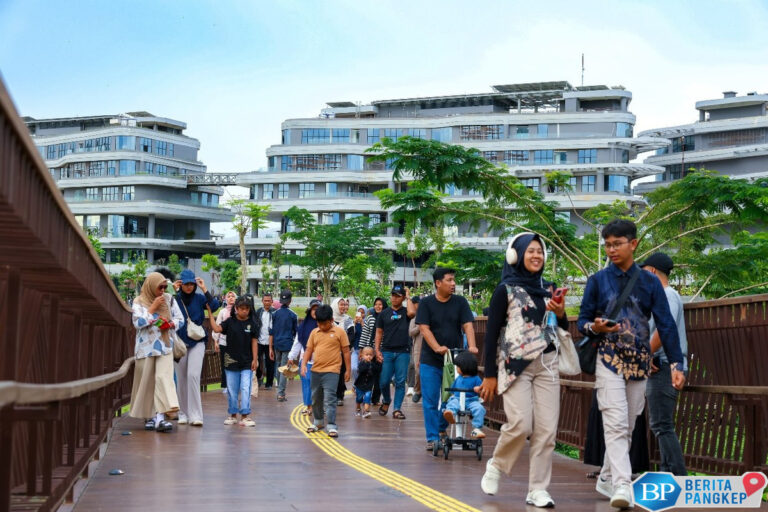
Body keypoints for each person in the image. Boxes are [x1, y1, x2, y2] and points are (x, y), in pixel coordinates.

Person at [578, 219, 685, 509]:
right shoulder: (597, 280)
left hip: (639, 362)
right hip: (607, 359)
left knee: (628, 423)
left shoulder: (650, 282)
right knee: (614, 419)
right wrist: (595, 328)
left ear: (633, 244)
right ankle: (622, 484)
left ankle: (608, 475)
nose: (611, 250)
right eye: (607, 244)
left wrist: (677, 363)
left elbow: (665, 324)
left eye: (617, 244)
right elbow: (582, 321)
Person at [478, 233, 567, 508]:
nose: (536, 256)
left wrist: (561, 312)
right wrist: (489, 375)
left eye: (540, 251)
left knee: (547, 430)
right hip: (515, 366)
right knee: (520, 424)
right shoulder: (503, 290)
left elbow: (560, 329)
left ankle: (538, 489)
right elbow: (491, 335)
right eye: (530, 251)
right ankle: (496, 464)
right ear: (515, 255)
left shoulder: (549, 288)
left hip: (548, 364)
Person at [416, 268, 477, 451]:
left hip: (453, 360)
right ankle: (432, 437)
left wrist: (472, 347)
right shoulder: (426, 303)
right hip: (430, 359)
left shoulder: (460, 302)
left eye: (454, 280)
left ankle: (441, 428)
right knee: (430, 399)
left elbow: (468, 325)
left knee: (452, 397)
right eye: (449, 280)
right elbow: (424, 329)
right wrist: (436, 347)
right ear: (438, 283)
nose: (453, 284)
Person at [640, 252, 688, 476]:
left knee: (662, 425)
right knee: (661, 424)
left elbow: (663, 328)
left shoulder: (666, 294)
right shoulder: (664, 295)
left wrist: (646, 354)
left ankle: (679, 477)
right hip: (662, 365)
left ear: (650, 271)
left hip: (666, 366)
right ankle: (667, 474)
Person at [129, 272, 183, 433]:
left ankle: (160, 418)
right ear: (151, 285)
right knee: (147, 382)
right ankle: (149, 416)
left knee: (163, 379)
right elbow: (138, 322)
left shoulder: (169, 299)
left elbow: (179, 319)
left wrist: (170, 324)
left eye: (165, 287)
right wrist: (152, 308)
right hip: (145, 348)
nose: (163, 290)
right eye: (160, 287)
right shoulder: (138, 301)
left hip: (165, 345)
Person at [173, 270, 220, 427]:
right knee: (181, 378)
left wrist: (204, 288)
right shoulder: (176, 298)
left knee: (193, 375)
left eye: (191, 284)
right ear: (181, 284)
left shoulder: (200, 298)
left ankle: (196, 415)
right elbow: (170, 311)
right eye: (186, 284)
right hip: (180, 342)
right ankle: (182, 413)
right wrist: (175, 291)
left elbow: (214, 306)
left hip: (198, 341)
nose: (189, 287)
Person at [301, 304, 351, 438]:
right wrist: (304, 364)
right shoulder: (314, 332)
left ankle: (332, 425)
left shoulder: (340, 332)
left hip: (332, 371)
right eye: (319, 323)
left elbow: (346, 351)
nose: (321, 326)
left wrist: (348, 370)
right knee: (316, 398)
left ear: (331, 320)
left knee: (330, 398)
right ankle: (318, 422)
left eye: (324, 323)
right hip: (316, 370)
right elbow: (308, 350)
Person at [209, 296, 259, 427]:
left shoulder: (252, 324)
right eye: (241, 309)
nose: (244, 311)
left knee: (246, 388)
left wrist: (255, 359)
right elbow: (216, 329)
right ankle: (232, 415)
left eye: (247, 309)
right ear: (236, 309)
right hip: (230, 361)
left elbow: (254, 342)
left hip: (247, 362)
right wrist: (210, 313)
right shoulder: (229, 322)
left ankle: (245, 415)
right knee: (232, 389)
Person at [374, 284, 416, 419]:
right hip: (387, 351)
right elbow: (379, 332)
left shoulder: (406, 312)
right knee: (384, 381)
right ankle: (386, 400)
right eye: (393, 295)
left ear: (403, 298)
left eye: (398, 296)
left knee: (400, 381)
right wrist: (376, 350)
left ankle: (397, 409)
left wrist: (409, 297)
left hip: (403, 351)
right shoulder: (384, 314)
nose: (394, 298)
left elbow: (412, 313)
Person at [443, 351, 486, 439]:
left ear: (464, 367)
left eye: (458, 367)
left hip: (471, 401)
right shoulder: (458, 378)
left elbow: (482, 391)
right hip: (458, 399)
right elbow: (452, 391)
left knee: (480, 409)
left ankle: (476, 429)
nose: (457, 369)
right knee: (452, 402)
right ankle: (450, 413)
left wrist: (479, 389)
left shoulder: (476, 379)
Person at [289, 299, 321, 414]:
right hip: (306, 360)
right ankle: (309, 406)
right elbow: (297, 342)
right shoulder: (303, 326)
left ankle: (319, 406)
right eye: (313, 309)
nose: (315, 312)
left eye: (318, 309)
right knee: (307, 382)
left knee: (318, 384)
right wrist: (291, 357)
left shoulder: (325, 325)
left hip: (321, 360)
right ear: (310, 311)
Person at [269, 289, 298, 402]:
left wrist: (270, 347)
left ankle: (279, 388)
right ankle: (281, 393)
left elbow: (271, 331)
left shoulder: (274, 314)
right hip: (287, 344)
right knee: (285, 368)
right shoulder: (293, 315)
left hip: (276, 344)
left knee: (278, 365)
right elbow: (296, 334)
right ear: (290, 301)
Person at [360, 297, 387, 405]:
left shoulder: (387, 318)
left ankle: (376, 399)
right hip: (369, 351)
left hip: (382, 350)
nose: (377, 306)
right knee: (367, 375)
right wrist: (362, 351)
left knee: (380, 376)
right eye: (376, 304)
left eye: (380, 304)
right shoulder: (370, 318)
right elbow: (365, 334)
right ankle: (364, 398)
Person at [331, 298, 355, 406]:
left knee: (341, 373)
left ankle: (339, 395)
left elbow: (351, 335)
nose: (343, 307)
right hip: (331, 352)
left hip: (343, 352)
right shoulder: (329, 319)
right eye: (341, 305)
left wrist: (343, 347)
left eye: (344, 305)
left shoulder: (348, 320)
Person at [213, 291, 237, 393]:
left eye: (233, 296)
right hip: (223, 342)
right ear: (225, 299)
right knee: (224, 363)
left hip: (236, 342)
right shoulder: (222, 312)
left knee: (235, 363)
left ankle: (235, 385)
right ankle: (225, 385)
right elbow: (217, 325)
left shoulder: (239, 311)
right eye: (229, 296)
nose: (231, 298)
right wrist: (216, 341)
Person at [254, 293, 276, 389]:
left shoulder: (275, 312)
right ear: (262, 301)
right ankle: (259, 377)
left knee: (270, 363)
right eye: (265, 300)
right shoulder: (258, 312)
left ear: (272, 301)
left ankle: (269, 383)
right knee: (257, 361)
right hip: (259, 341)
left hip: (271, 342)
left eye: (269, 300)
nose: (267, 302)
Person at [407, 296, 423, 403]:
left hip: (431, 347)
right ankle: (418, 391)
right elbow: (410, 333)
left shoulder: (430, 316)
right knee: (418, 371)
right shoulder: (414, 319)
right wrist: (420, 327)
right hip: (417, 348)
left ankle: (425, 392)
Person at [354, 346, 377, 418]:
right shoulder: (361, 363)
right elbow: (361, 370)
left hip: (369, 386)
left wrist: (373, 365)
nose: (368, 356)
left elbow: (376, 370)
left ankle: (366, 411)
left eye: (370, 355)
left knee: (367, 397)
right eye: (366, 355)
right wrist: (367, 364)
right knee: (359, 398)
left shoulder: (373, 364)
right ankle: (358, 408)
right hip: (360, 385)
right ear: (362, 355)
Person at [352, 305, 367, 381]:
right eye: (359, 312)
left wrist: (362, 323)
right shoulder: (353, 323)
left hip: (365, 350)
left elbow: (366, 334)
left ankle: (360, 386)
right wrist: (354, 324)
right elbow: (351, 335)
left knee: (363, 370)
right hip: (355, 349)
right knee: (354, 368)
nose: (361, 314)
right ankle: (357, 383)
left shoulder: (367, 322)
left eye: (363, 312)